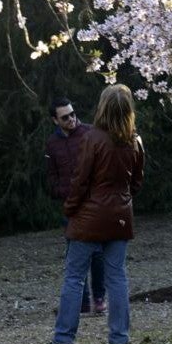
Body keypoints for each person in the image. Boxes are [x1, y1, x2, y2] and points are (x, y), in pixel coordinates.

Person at [48, 84, 145, 344]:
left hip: (88, 218)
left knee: (74, 278)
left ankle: (64, 341)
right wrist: (120, 200)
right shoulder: (135, 140)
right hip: (119, 219)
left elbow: (80, 181)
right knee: (117, 278)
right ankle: (119, 342)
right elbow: (136, 182)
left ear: (103, 107)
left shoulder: (93, 138)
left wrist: (71, 208)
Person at [44, 97, 107, 317]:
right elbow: (51, 175)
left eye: (72, 114)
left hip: (94, 204)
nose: (71, 119)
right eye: (65, 117)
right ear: (55, 120)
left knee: (98, 255)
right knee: (75, 256)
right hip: (70, 206)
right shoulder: (52, 143)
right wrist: (62, 192)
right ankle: (82, 303)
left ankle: (99, 298)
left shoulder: (90, 133)